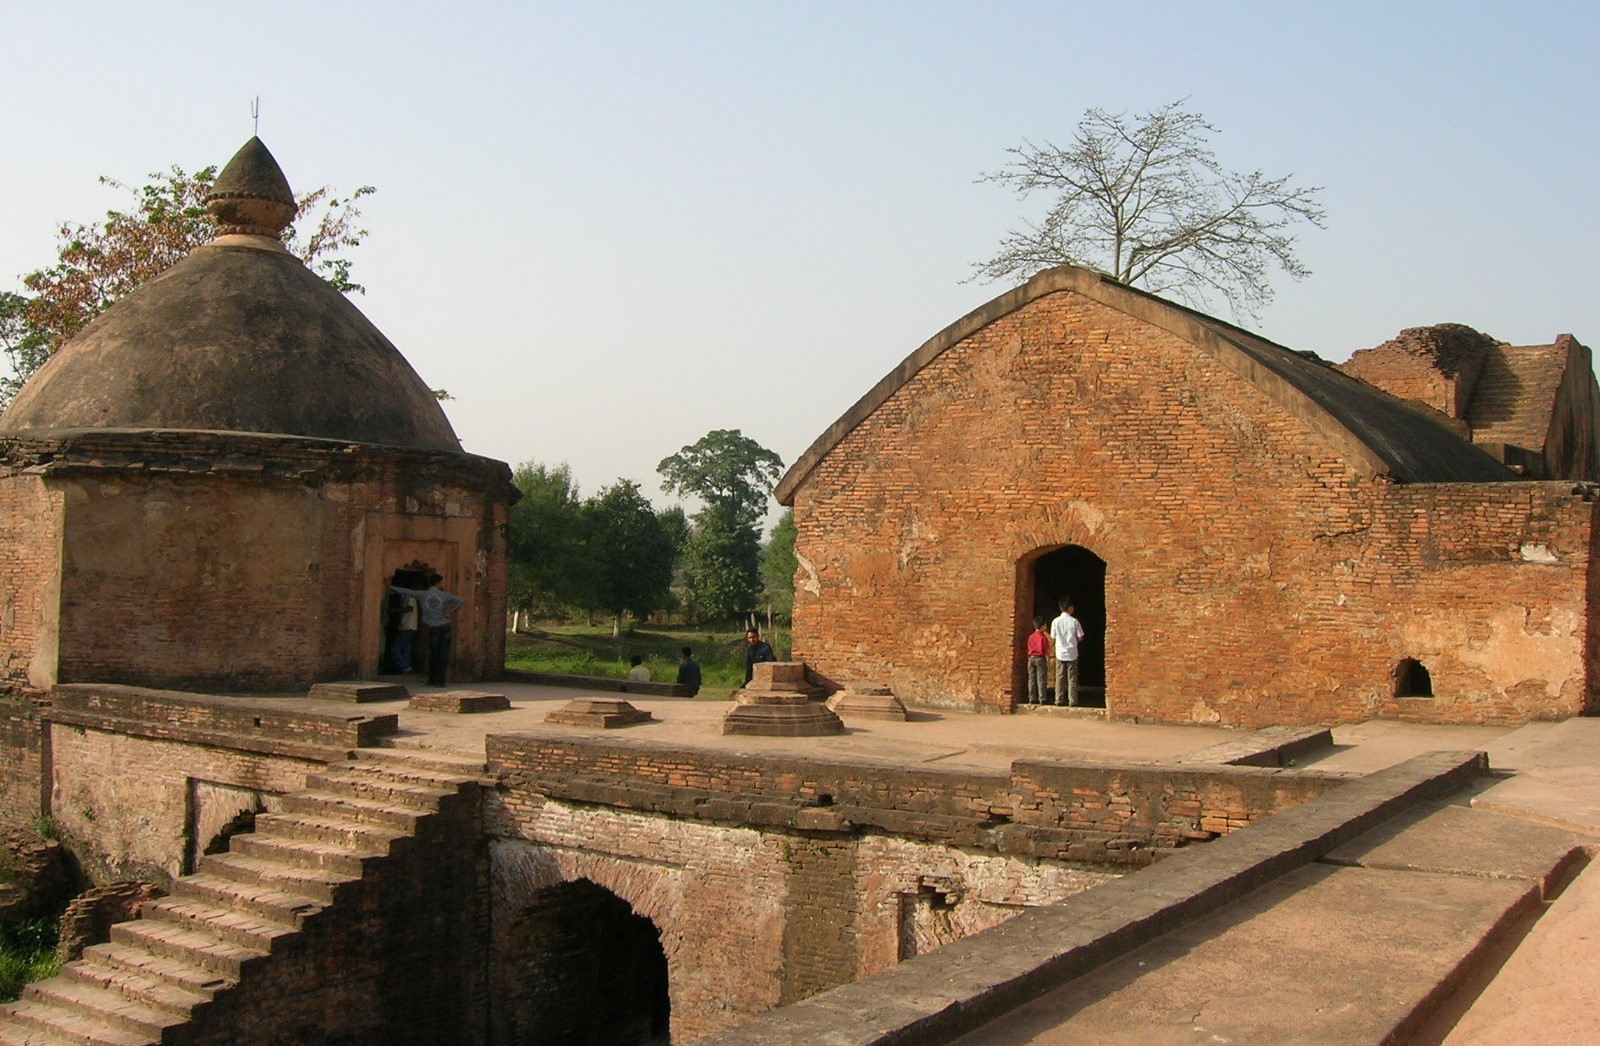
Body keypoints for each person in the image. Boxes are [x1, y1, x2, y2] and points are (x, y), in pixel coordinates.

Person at [389, 574, 464, 686]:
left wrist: (390, 587)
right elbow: (460, 601)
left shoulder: (423, 594)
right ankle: (440, 681)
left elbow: (406, 591)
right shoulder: (444, 595)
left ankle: (432, 680)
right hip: (445, 627)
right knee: (443, 655)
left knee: (433, 655)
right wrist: (451, 612)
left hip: (433, 629)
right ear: (438, 583)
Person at [1050, 598, 1087, 707]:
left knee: (1060, 677)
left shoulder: (1055, 621)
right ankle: (1072, 701)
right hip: (1072, 653)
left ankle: (1059, 700)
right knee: (1072, 678)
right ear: (1069, 608)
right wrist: (1074, 640)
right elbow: (1080, 637)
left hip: (1060, 653)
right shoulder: (1074, 621)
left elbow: (1053, 637)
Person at [388, 594, 419, 674]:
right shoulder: (403, 597)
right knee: (406, 651)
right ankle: (406, 669)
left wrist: (395, 610)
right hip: (406, 627)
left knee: (394, 649)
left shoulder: (409, 596)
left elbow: (410, 608)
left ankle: (407, 667)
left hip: (408, 627)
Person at [1025, 615, 1050, 705]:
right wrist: (1048, 662)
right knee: (1041, 679)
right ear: (1042, 626)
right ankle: (1042, 698)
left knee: (1031, 679)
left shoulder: (1031, 637)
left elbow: (1028, 648)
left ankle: (1032, 698)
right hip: (1040, 658)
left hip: (1031, 658)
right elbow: (1046, 651)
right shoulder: (1043, 638)